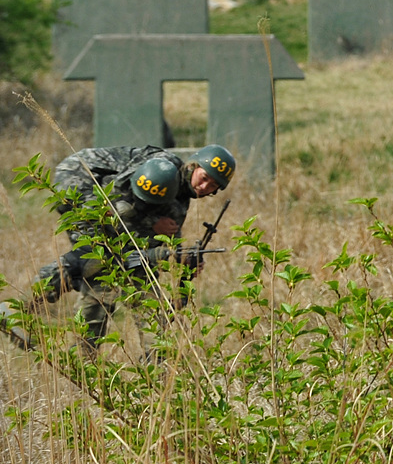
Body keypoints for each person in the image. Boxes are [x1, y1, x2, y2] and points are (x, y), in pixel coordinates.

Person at [13, 144, 235, 358]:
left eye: (213, 185)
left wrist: (181, 259)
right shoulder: (164, 169)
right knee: (97, 258)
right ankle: (17, 311)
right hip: (80, 180)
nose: (205, 187)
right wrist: (153, 221)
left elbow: (160, 242)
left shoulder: (180, 198)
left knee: (124, 271)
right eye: (204, 178)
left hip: (108, 199)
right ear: (193, 166)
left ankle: (103, 355)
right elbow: (116, 200)